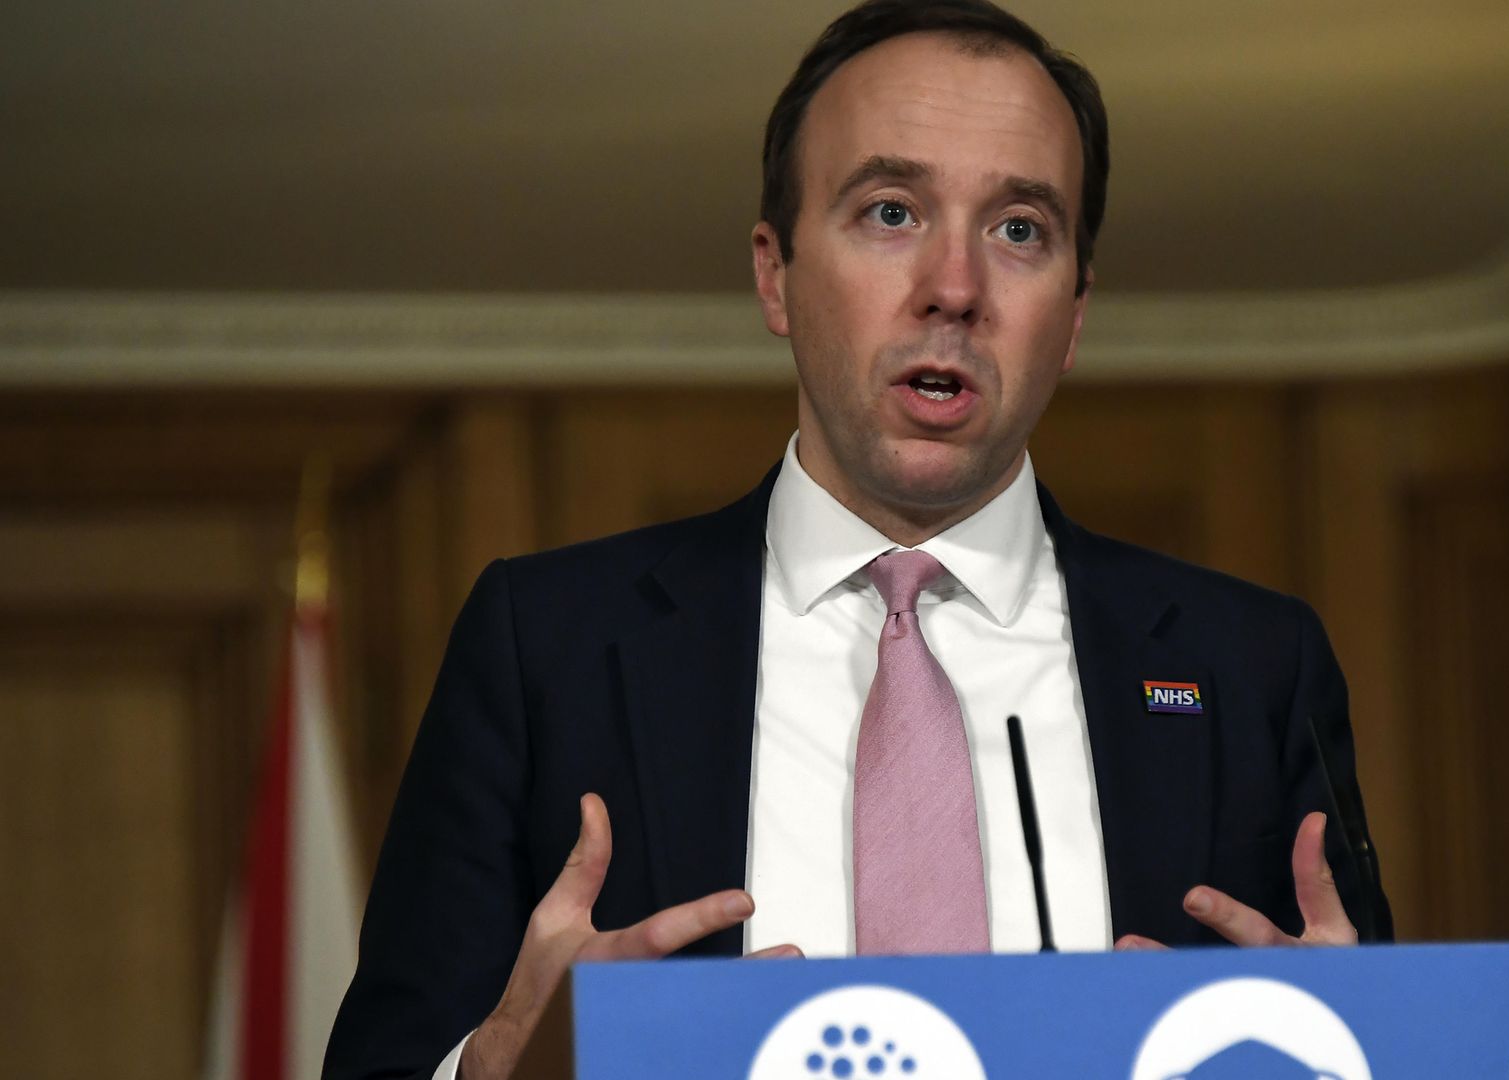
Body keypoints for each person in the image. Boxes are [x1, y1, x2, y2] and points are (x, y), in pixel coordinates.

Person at [323, 2, 1391, 1078]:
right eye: (891, 211)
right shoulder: (544, 646)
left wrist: (1380, 1050)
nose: (956, 289)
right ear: (775, 274)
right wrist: (499, 1061)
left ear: (1072, 317)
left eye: (1020, 228)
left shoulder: (1251, 665)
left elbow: (1378, 1032)